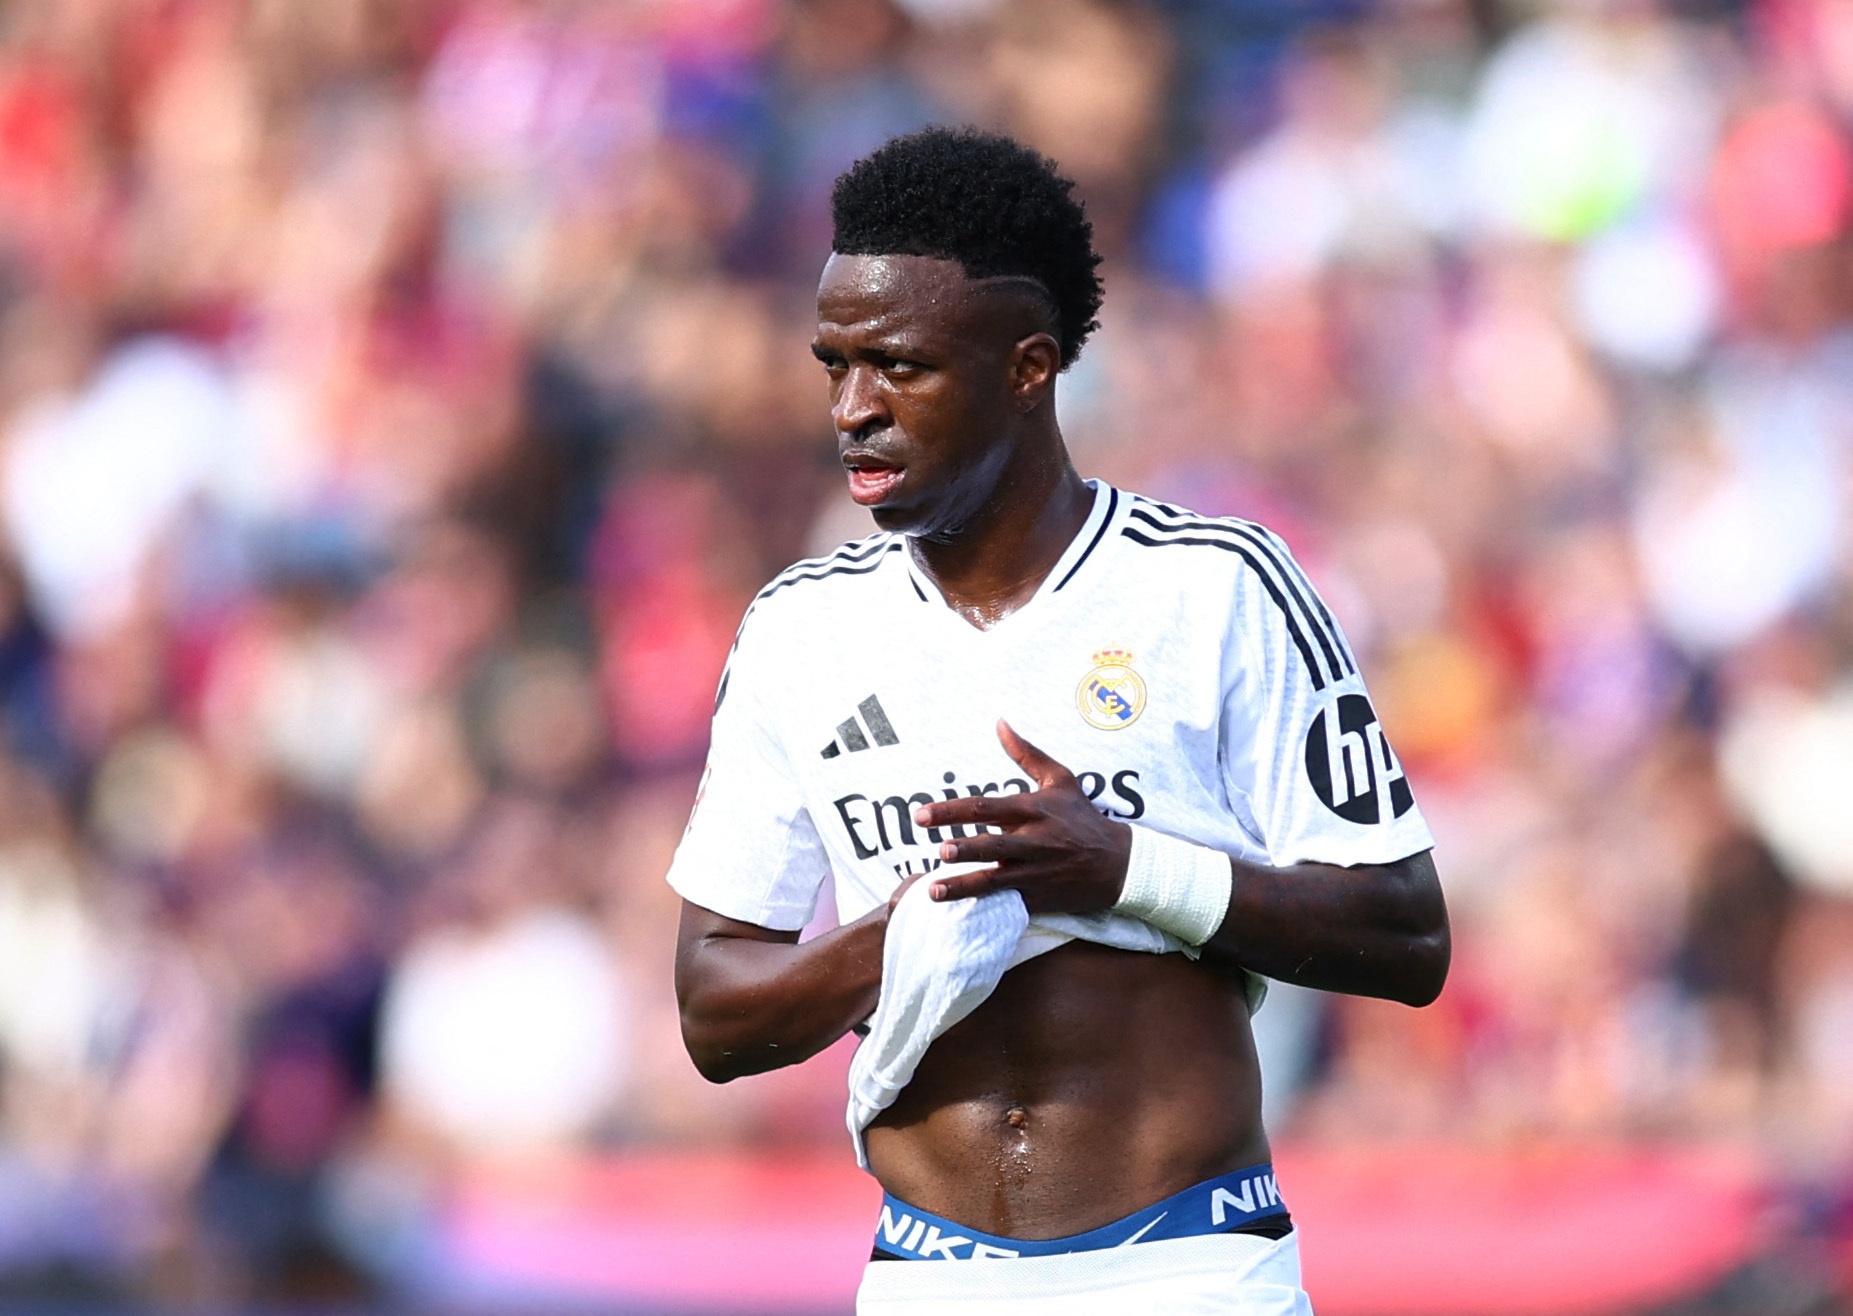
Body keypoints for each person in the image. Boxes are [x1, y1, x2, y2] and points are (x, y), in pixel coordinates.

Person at [668, 126, 1449, 1314]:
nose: (853, 408)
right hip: (927, 1274)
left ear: (1028, 367)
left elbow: (1404, 931)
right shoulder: (797, 630)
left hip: (1187, 1266)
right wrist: (920, 919)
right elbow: (715, 1012)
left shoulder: (1214, 586)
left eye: (900, 366)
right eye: (834, 365)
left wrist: (1122, 867)